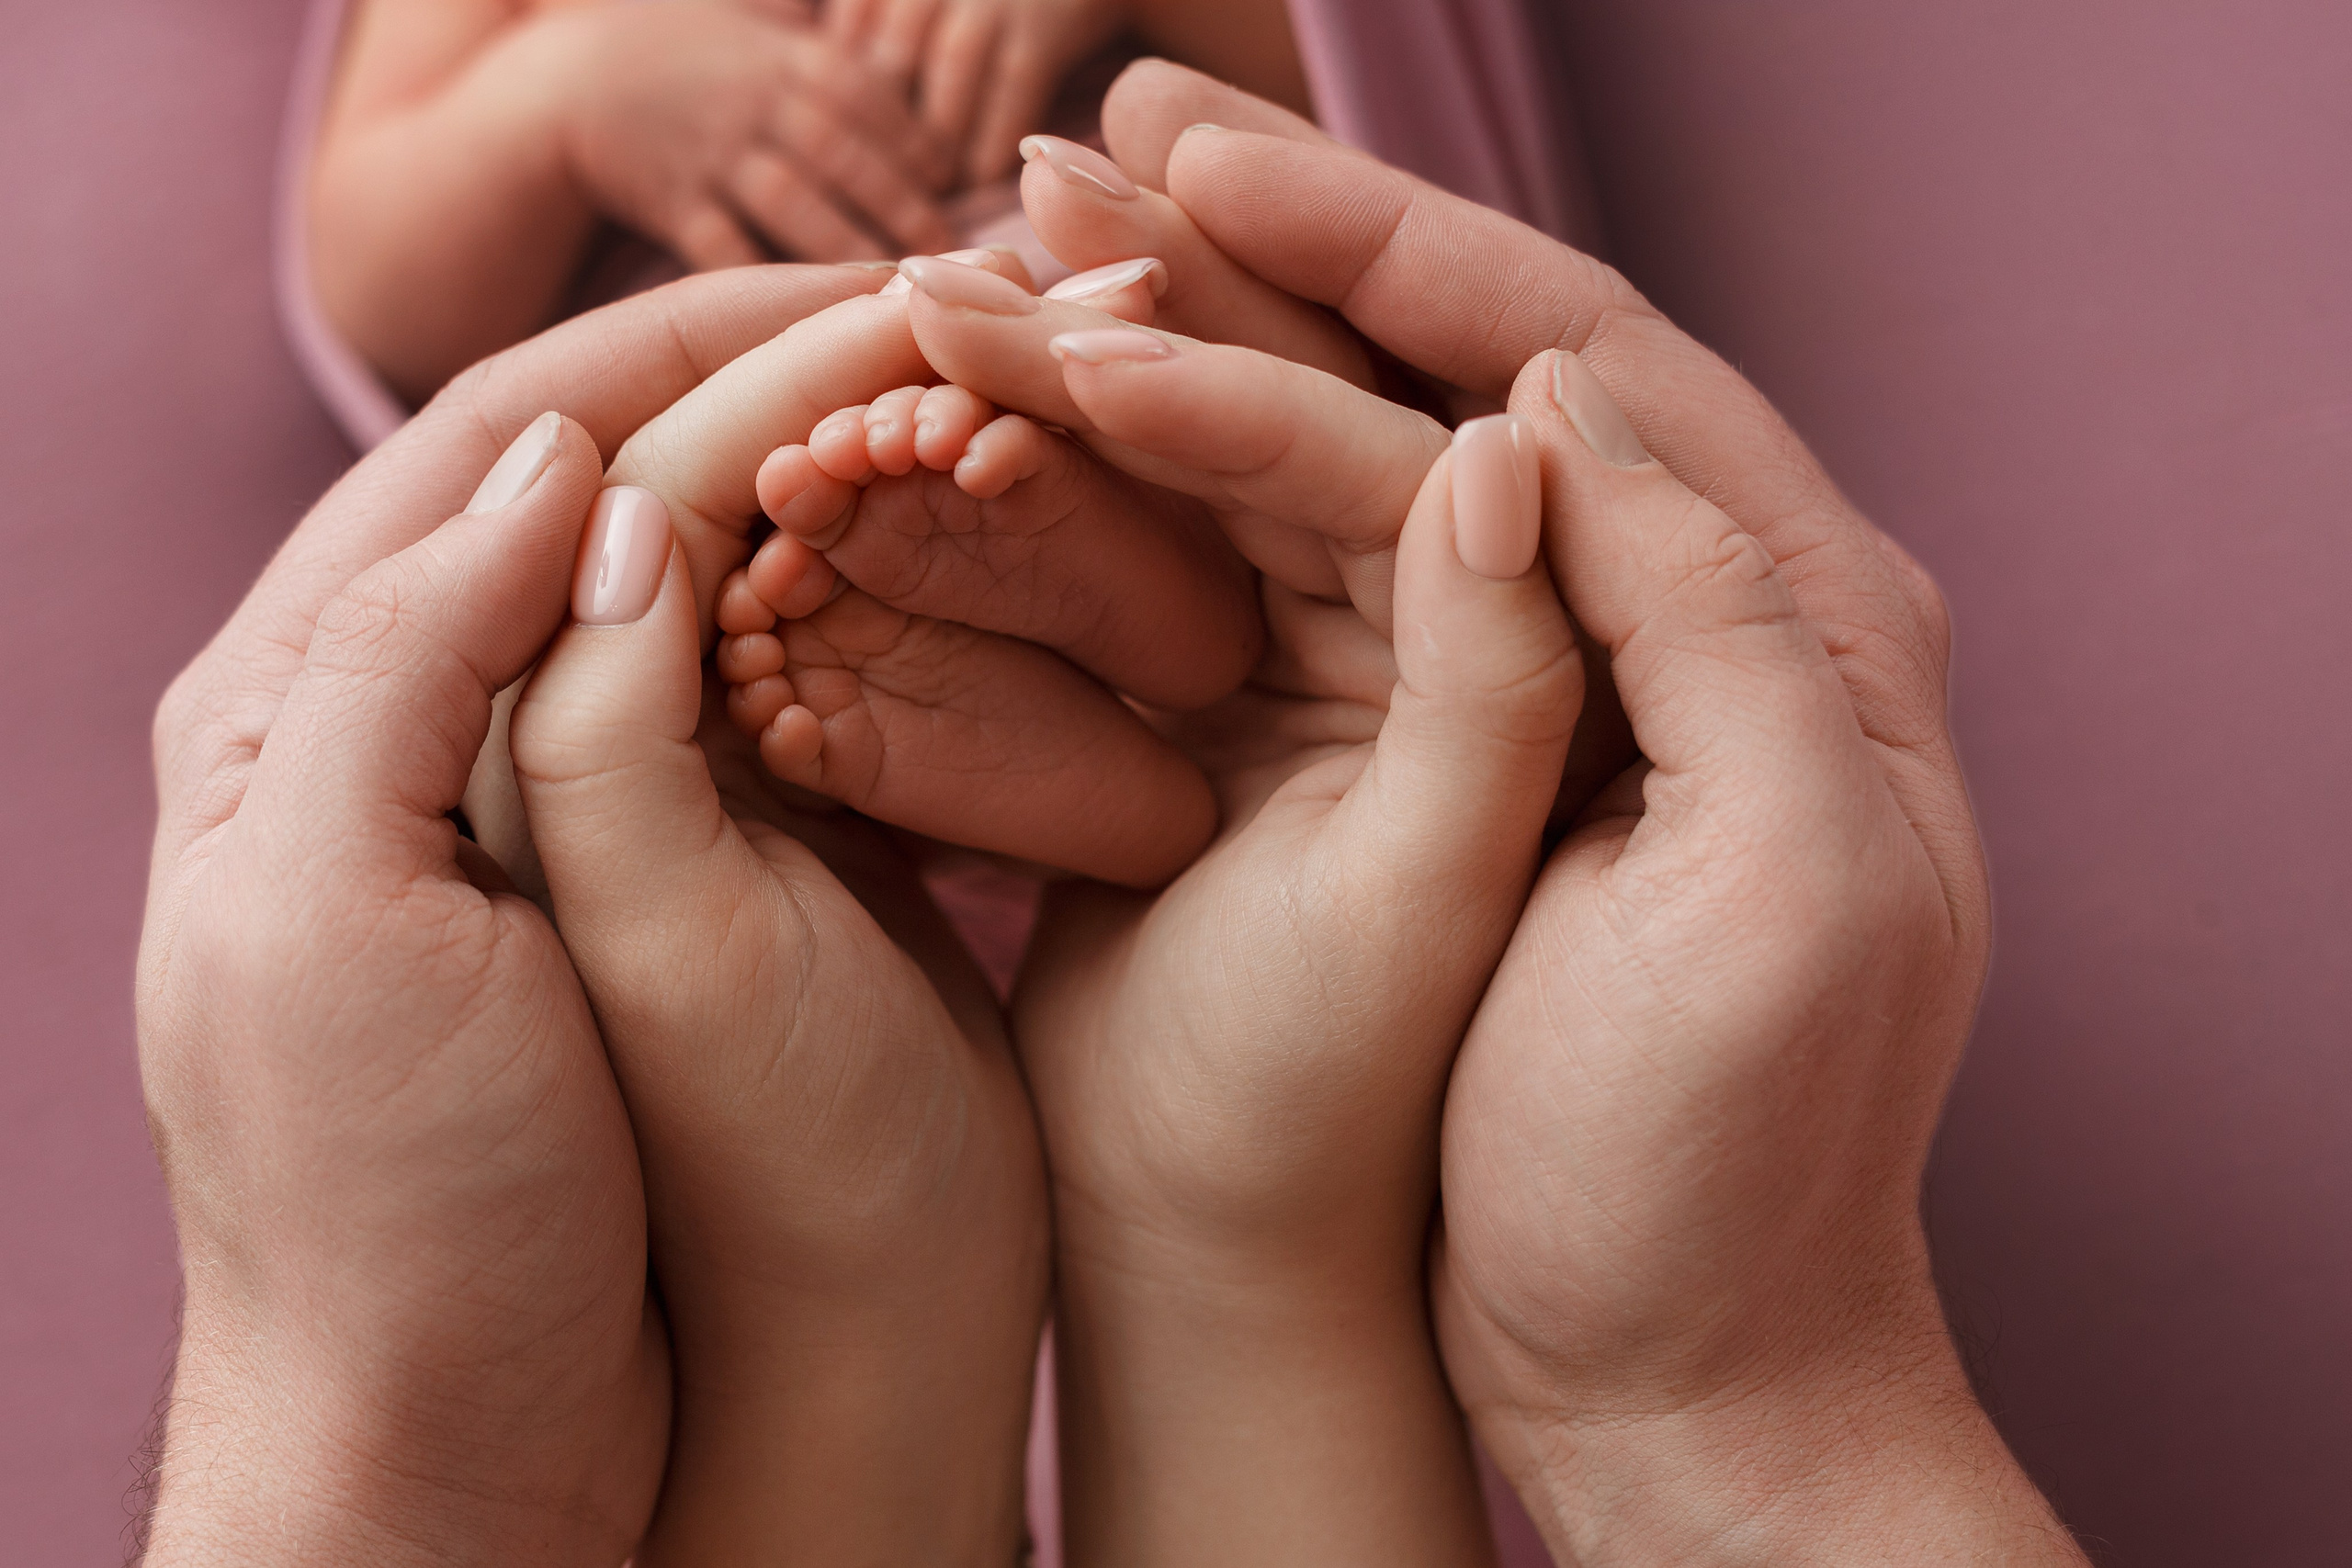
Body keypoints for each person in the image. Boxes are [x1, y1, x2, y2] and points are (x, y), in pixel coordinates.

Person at [139, 60, 2087, 1568]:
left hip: (1092, 546)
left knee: (1106, 578)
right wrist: (1742, 1407)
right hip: (1101, 561)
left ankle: (1114, 674)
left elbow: (1330, 71)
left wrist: (404, 1472)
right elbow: (379, 220)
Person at [307, 0, 1309, 407]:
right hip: (746, 438)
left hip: (1151, 334)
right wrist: (557, 99)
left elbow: (1380, 85)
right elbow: (378, 288)